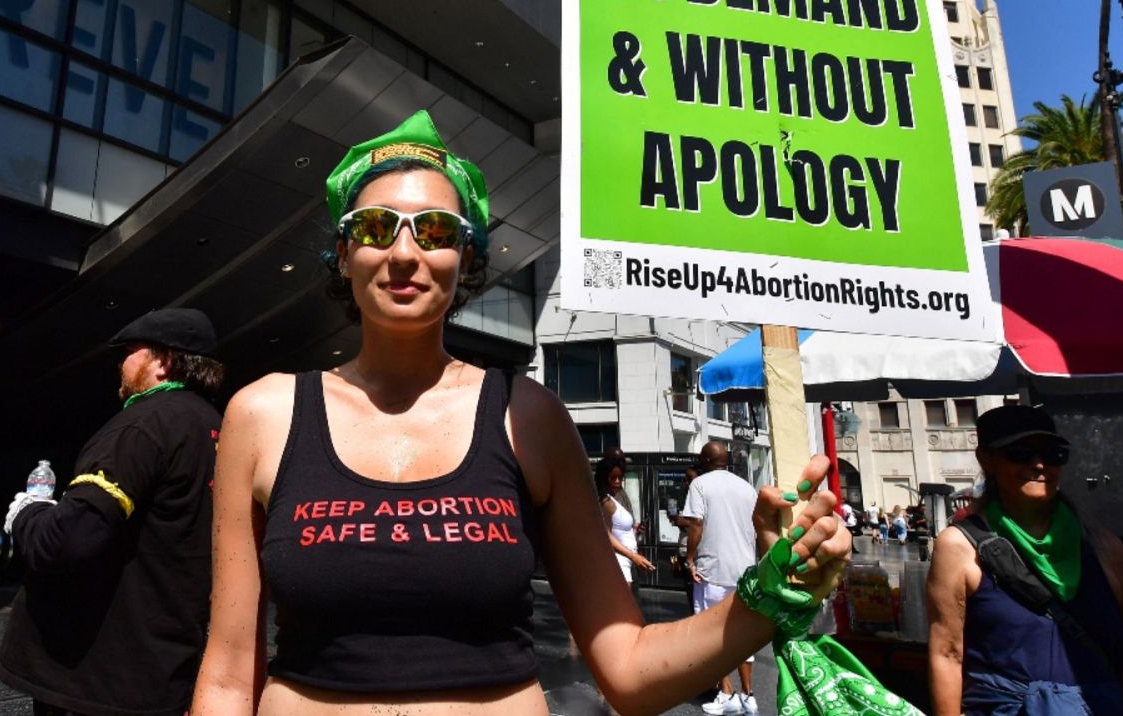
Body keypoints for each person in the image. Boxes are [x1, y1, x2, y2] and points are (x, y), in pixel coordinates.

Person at [191, 111, 853, 716]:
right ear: (343, 254)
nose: (402, 252)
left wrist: (768, 595)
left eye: (435, 231)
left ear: (468, 256)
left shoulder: (529, 417)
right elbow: (226, 676)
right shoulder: (264, 414)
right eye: (373, 228)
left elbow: (627, 669)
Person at [0, 308, 225, 716]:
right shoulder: (219, 427)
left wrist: (28, 513)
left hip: (93, 676)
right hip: (165, 668)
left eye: (129, 352)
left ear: (163, 361)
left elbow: (63, 542)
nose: (120, 364)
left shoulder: (142, 426)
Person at [926, 404, 1123, 715]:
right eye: (1020, 453)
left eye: (1052, 453)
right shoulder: (959, 546)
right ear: (986, 460)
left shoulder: (1103, 545)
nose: (1038, 464)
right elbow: (947, 654)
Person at [685, 441, 761, 715]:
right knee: (740, 633)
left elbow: (696, 523)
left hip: (712, 571)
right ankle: (749, 695)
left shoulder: (700, 485)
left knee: (714, 635)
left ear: (705, 460)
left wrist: (690, 559)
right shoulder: (746, 488)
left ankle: (726, 693)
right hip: (744, 570)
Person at [598, 451, 654, 589]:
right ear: (604, 477)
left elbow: (618, 528)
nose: (617, 481)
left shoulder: (615, 496)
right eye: (613, 478)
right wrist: (633, 556)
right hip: (620, 561)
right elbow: (606, 535)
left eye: (620, 477)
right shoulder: (605, 501)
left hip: (627, 561)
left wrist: (633, 529)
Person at [670, 464, 703, 606]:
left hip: (698, 552)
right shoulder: (683, 496)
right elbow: (677, 518)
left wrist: (687, 522)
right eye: (685, 479)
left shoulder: (703, 497)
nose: (686, 483)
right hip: (684, 549)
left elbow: (698, 523)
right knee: (689, 591)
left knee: (697, 590)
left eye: (690, 479)